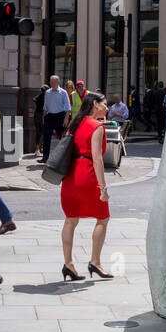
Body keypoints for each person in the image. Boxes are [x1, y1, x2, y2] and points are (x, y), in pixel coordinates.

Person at [59, 90, 111, 281]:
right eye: (104, 103)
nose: (107, 107)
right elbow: (97, 159)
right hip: (87, 176)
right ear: (95, 104)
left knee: (70, 220)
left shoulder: (75, 123)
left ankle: (68, 264)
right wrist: (103, 188)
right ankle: (95, 262)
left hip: (70, 176)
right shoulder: (96, 126)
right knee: (103, 218)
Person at [41, 74, 70, 161]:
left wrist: (66, 118)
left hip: (60, 116)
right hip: (49, 116)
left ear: (58, 82)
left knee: (62, 138)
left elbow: (68, 107)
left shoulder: (63, 92)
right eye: (51, 82)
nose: (52, 83)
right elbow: (45, 106)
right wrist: (43, 117)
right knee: (46, 138)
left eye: (53, 82)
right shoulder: (48, 92)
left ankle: (63, 157)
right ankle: (45, 158)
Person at [33, 84, 46, 159]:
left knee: (38, 133)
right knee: (44, 133)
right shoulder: (46, 97)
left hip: (36, 115)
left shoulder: (39, 96)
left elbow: (34, 99)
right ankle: (43, 149)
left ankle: (37, 149)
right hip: (42, 116)